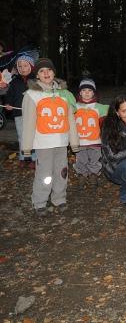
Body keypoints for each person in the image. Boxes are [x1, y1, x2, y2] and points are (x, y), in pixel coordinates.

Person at [22, 58, 79, 216]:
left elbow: (70, 120)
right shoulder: (32, 95)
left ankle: (59, 198)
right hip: (43, 143)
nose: (46, 73)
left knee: (61, 171)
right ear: (37, 75)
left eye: (49, 70)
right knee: (45, 173)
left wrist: (74, 142)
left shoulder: (64, 94)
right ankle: (40, 201)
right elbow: (28, 122)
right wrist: (26, 147)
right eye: (41, 71)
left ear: (54, 73)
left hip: (61, 142)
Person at [73, 78, 108, 189]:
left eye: (89, 90)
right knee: (81, 159)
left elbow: (113, 111)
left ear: (93, 93)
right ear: (80, 92)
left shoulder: (99, 107)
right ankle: (82, 175)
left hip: (95, 140)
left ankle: (93, 175)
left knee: (95, 159)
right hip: (79, 140)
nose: (87, 93)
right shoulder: (74, 107)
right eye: (84, 90)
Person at [2, 53, 35, 167]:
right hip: (19, 113)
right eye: (20, 66)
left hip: (33, 114)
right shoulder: (14, 81)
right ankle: (23, 158)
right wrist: (8, 104)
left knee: (33, 136)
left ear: (31, 66)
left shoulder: (36, 81)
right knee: (22, 136)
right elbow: (9, 95)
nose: (22, 68)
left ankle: (33, 158)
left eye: (25, 65)